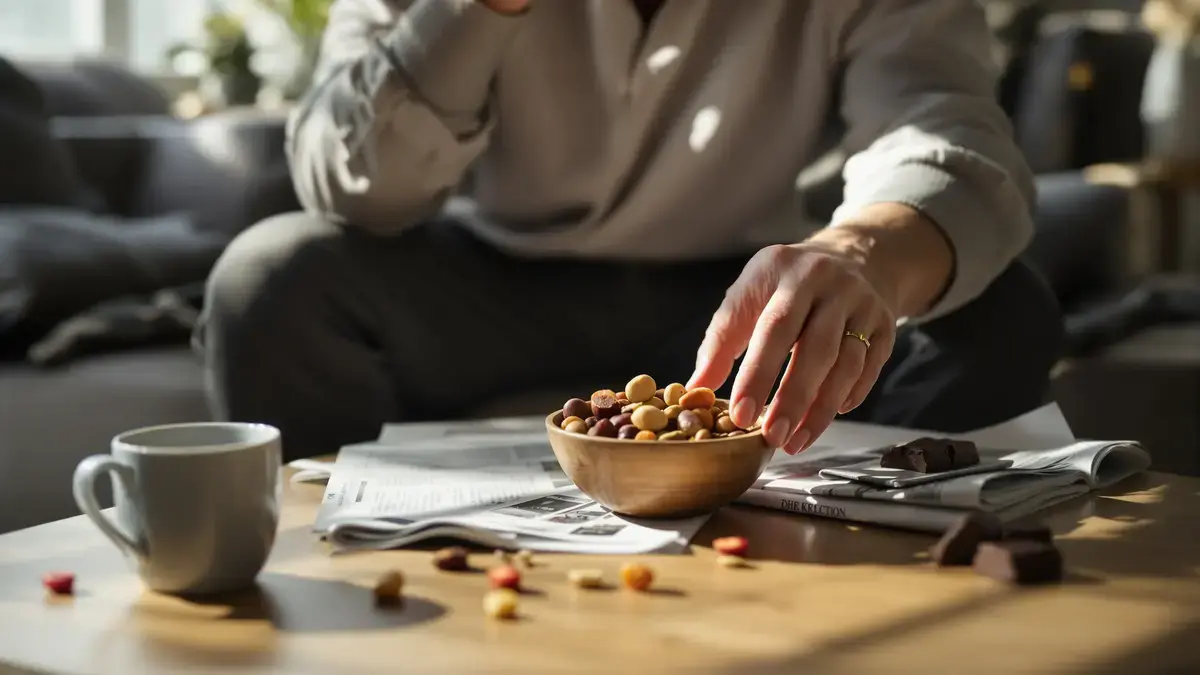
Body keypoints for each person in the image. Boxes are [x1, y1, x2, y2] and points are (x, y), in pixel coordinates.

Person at [196, 0, 1063, 461]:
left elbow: (944, 127)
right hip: (485, 286)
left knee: (997, 307)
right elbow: (356, 187)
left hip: (739, 290)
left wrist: (859, 252)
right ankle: (349, 597)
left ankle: (851, 559)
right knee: (272, 281)